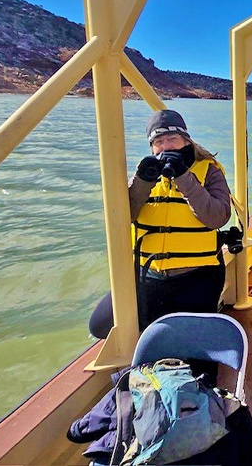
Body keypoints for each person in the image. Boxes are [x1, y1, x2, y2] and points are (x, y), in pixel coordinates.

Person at [88, 109, 232, 338]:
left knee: (194, 344)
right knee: (100, 326)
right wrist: (142, 183)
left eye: (172, 139)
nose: (165, 147)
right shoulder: (146, 173)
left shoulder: (209, 171)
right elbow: (124, 217)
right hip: (150, 275)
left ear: (186, 140)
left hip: (197, 276)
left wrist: (184, 177)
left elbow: (218, 217)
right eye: (158, 141)